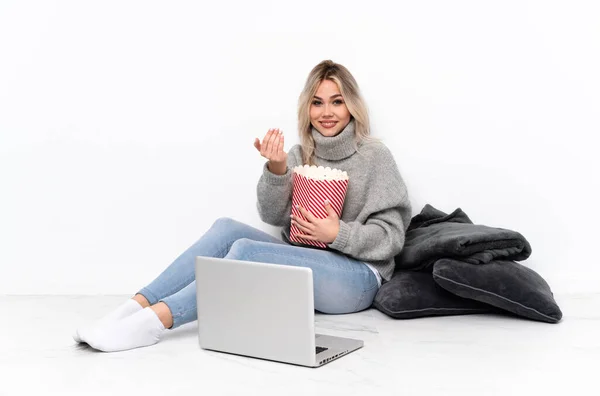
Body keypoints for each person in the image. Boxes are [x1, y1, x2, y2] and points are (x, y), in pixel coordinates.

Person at [72, 60, 412, 353]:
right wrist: (278, 170)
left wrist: (338, 233)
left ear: (351, 105)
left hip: (359, 279)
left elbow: (392, 237)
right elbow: (273, 216)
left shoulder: (374, 157)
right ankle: (131, 309)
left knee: (246, 251)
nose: (326, 113)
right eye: (317, 102)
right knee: (225, 230)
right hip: (309, 265)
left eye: (336, 102)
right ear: (306, 107)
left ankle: (155, 323)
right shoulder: (300, 154)